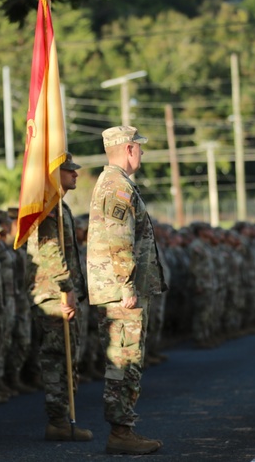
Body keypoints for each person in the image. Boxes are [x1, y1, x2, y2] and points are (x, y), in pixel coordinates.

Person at [86, 126, 165, 455]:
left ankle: (123, 428)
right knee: (124, 359)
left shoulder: (113, 182)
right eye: (140, 148)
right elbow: (119, 240)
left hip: (117, 289)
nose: (143, 154)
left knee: (124, 359)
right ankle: (121, 431)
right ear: (129, 149)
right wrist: (127, 285)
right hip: (121, 291)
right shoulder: (117, 186)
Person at [28, 152, 92, 442]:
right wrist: (66, 289)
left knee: (67, 357)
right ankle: (58, 421)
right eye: (69, 171)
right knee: (57, 359)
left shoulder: (59, 204)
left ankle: (65, 418)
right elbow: (49, 249)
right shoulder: (49, 204)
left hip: (61, 292)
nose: (75, 174)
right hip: (54, 294)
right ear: (55, 174)